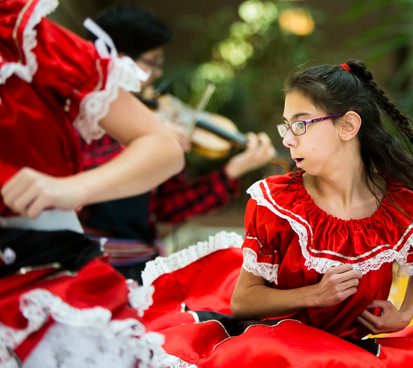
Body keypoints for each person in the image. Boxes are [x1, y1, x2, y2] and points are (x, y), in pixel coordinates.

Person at [139, 59, 413, 368]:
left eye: (301, 124)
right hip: (275, 353)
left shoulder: (401, 206)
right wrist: (315, 295)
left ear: (348, 126)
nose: (288, 138)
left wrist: (403, 315)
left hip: (352, 358)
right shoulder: (277, 203)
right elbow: (243, 302)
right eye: (286, 126)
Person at [0, 0, 185, 368]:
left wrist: (67, 188)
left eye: (156, 66)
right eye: (149, 63)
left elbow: (168, 186)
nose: (151, 77)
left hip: (44, 264)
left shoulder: (26, 38)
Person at [78, 4, 277, 282]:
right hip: (87, 264)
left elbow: (169, 206)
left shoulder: (152, 119)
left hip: (142, 266)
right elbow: (76, 179)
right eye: (152, 62)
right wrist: (147, 144)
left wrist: (232, 171)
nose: (158, 73)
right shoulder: (79, 118)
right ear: (120, 60)